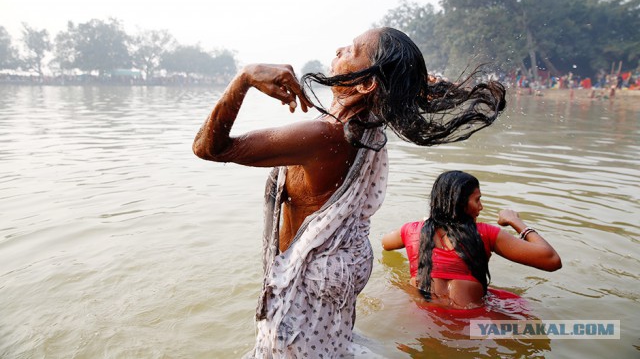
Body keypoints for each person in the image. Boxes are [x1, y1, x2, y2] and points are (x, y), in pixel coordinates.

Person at [192, 28, 506, 357]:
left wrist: (244, 78)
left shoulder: (324, 136)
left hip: (299, 309)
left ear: (367, 83)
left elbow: (208, 148)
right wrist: (426, 84)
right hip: (328, 303)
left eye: (352, 49)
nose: (340, 49)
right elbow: (409, 85)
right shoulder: (368, 124)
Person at [382, 170, 561, 309]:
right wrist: (516, 221)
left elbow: (385, 243)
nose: (481, 207)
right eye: (477, 200)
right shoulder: (485, 234)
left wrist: (422, 225)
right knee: (524, 307)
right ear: (461, 204)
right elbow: (551, 260)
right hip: (472, 321)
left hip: (421, 318)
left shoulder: (411, 230)